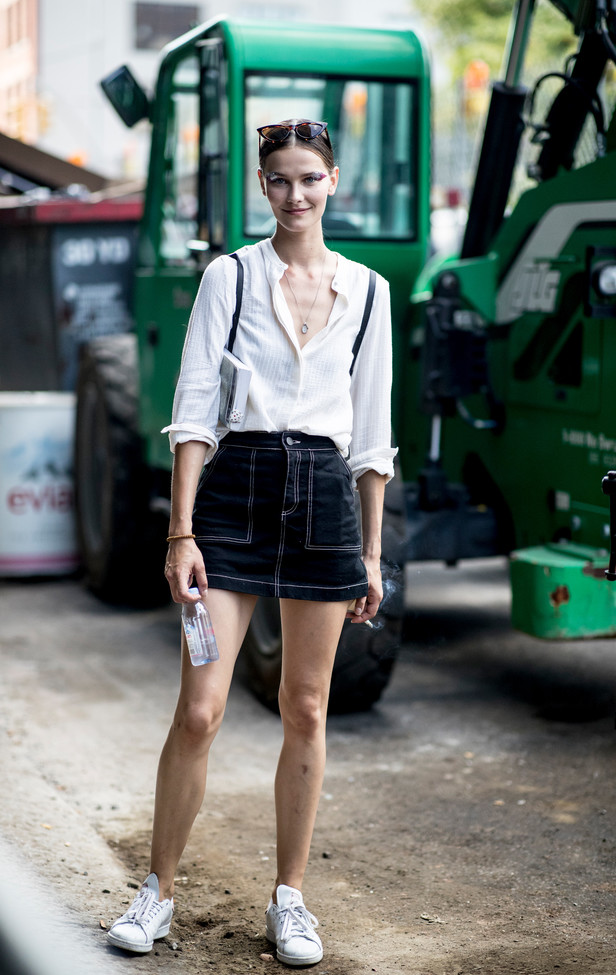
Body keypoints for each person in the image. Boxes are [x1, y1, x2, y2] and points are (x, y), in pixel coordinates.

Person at [106, 118, 396, 967]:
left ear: (333, 181)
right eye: (280, 180)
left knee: (307, 707)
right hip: (233, 494)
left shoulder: (370, 293)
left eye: (310, 178)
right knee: (200, 708)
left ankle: (291, 897)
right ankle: (157, 892)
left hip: (325, 500)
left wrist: (372, 556)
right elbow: (194, 413)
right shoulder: (228, 278)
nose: (295, 194)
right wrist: (180, 531)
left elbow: (372, 438)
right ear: (262, 188)